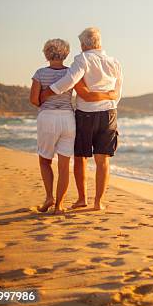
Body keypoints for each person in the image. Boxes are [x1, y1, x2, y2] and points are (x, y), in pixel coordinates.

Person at [30, 39, 117, 214]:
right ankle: (59, 206)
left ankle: (49, 197)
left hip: (47, 118)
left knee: (45, 161)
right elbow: (79, 89)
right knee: (64, 164)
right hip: (68, 119)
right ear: (66, 54)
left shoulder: (40, 73)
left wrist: (45, 98)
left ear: (46, 54)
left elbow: (34, 100)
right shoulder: (71, 72)